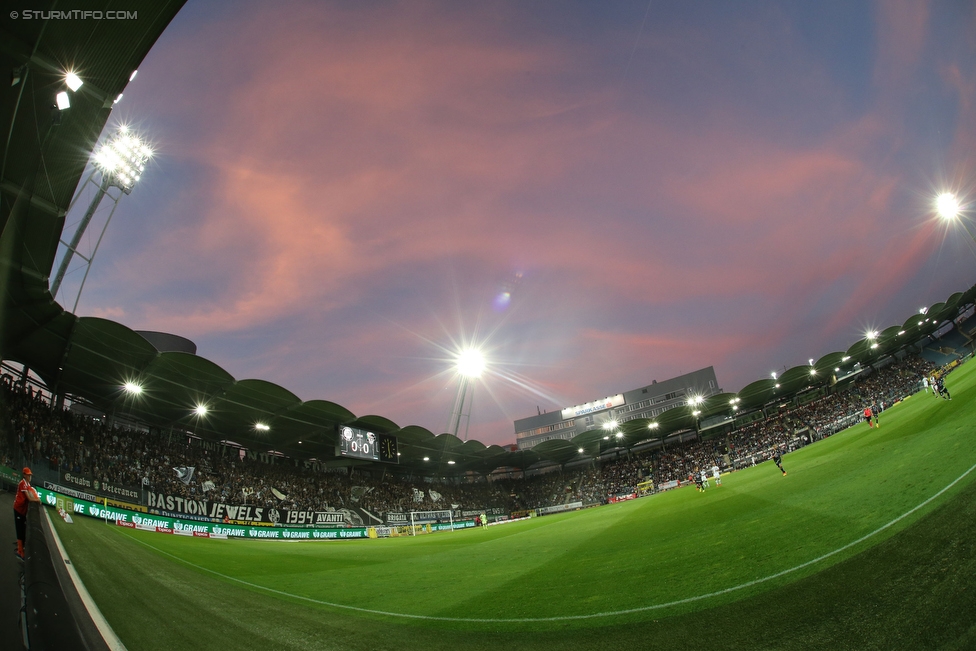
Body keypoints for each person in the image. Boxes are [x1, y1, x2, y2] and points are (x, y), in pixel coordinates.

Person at [13, 467, 40, 560]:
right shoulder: (23, 484)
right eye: (28, 475)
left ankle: (21, 547)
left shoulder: (27, 484)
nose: (29, 477)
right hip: (18, 509)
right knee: (20, 530)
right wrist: (37, 500)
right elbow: (29, 498)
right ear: (24, 475)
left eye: (30, 475)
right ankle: (20, 552)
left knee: (22, 528)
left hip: (21, 510)